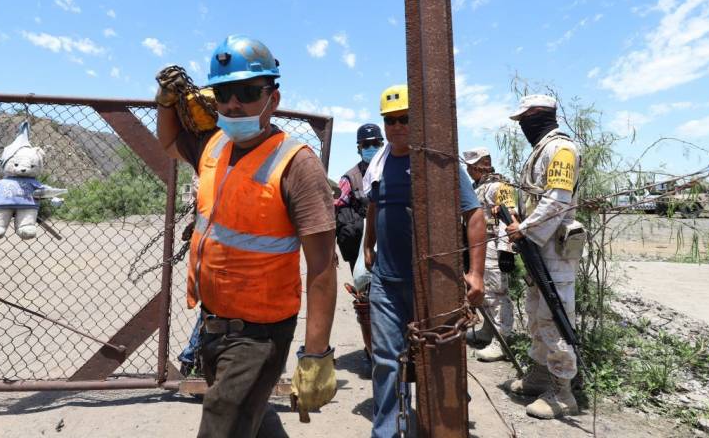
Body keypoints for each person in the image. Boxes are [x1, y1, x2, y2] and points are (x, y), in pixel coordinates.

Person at [155, 35, 338, 437]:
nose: (233, 104)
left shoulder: (296, 164)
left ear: (272, 98)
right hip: (212, 323)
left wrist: (316, 355)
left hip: (260, 335)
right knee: (254, 419)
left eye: (247, 92)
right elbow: (168, 142)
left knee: (223, 422)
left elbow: (323, 265)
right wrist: (165, 102)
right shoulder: (213, 145)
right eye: (223, 92)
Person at [361, 84, 486, 438]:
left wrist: (475, 273)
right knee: (386, 361)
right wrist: (368, 245)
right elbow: (374, 205)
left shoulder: (437, 163)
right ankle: (387, 432)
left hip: (433, 281)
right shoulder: (381, 164)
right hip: (387, 282)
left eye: (405, 119)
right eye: (390, 121)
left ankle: (443, 424)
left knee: (438, 355)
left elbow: (474, 215)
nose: (397, 127)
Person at [503, 94, 583, 420]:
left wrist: (524, 229)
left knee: (554, 315)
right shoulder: (540, 149)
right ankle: (540, 373)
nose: (523, 125)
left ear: (541, 115)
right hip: (537, 246)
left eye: (526, 118)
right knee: (536, 312)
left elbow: (557, 200)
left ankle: (563, 392)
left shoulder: (561, 148)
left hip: (555, 249)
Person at [462, 147, 515, 362]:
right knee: (484, 293)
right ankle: (488, 329)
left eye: (471, 166)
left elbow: (509, 217)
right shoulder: (478, 188)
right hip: (480, 246)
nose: (468, 170)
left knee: (497, 294)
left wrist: (506, 250)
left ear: (479, 165)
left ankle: (503, 340)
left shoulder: (499, 186)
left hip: (494, 245)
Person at [335, 123, 384, 273]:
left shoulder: (393, 169)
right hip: (361, 246)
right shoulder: (349, 178)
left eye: (375, 144)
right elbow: (334, 211)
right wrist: (329, 249)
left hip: (389, 239)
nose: (371, 148)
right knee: (364, 286)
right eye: (366, 145)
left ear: (382, 145)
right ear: (359, 149)